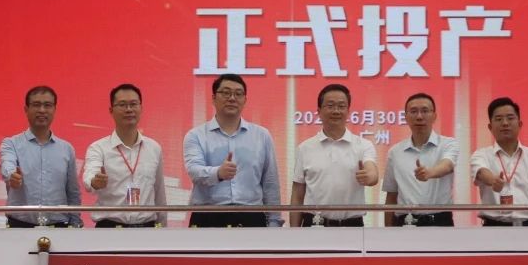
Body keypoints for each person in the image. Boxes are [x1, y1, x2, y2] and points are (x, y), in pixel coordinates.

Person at [183, 74, 283, 227]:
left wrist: (274, 221)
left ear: (245, 100)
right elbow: (194, 171)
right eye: (226, 93)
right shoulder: (196, 135)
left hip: (251, 216)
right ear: (213, 98)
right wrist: (218, 173)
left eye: (238, 94)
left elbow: (270, 183)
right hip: (208, 216)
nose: (232, 98)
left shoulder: (262, 135)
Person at [290, 84, 378, 227]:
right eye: (330, 106)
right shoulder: (305, 148)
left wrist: (369, 176)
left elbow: (372, 172)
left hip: (352, 226)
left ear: (348, 111)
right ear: (319, 111)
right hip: (314, 224)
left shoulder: (363, 145)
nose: (336, 111)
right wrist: (294, 232)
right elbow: (297, 194)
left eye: (341, 106)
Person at [82, 83, 167, 227]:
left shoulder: (154, 148)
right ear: (111, 110)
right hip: (110, 228)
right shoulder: (98, 148)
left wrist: (163, 226)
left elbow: (159, 192)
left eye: (133, 104)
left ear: (141, 108)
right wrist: (94, 182)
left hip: (147, 227)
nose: (129, 109)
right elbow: (90, 174)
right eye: (122, 105)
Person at [0, 85, 82, 227]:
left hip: (59, 226)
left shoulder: (67, 149)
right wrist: (11, 176)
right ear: (26, 109)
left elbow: (73, 191)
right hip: (20, 226)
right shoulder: (11, 144)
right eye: (36, 105)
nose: (42, 110)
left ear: (54, 110)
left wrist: (75, 223)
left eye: (47, 105)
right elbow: (7, 165)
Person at [469, 97, 528, 226]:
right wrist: (493, 180)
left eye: (510, 118)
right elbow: (481, 172)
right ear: (490, 127)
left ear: (520, 124)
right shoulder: (481, 154)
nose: (505, 123)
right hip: (493, 227)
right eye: (499, 119)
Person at [382, 93, 459, 227]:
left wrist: (430, 173)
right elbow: (392, 195)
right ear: (405, 117)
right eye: (413, 111)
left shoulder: (448, 144)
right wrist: (387, 231)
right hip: (405, 222)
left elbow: (447, 165)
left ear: (434, 116)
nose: (419, 116)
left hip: (439, 222)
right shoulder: (395, 152)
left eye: (425, 111)